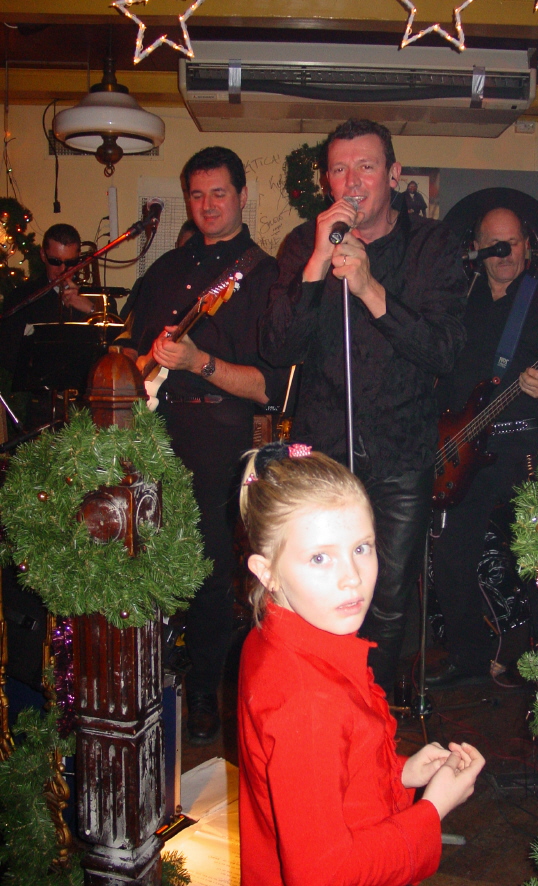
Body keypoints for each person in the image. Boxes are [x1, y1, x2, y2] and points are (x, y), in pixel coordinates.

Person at [260, 118, 467, 693]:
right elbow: (276, 347)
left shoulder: (433, 245)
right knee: (315, 589)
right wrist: (316, 264)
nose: (352, 182)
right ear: (326, 181)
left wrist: (371, 289)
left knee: (387, 597)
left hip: (401, 450)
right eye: (339, 169)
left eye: (366, 167)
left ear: (393, 175)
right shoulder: (302, 243)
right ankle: (318, 707)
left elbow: (445, 351)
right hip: (322, 448)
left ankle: (371, 711)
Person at [237, 442, 485, 886]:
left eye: (362, 548)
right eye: (319, 557)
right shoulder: (309, 700)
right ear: (266, 571)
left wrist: (400, 772)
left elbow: (324, 783)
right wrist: (433, 809)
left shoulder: (278, 638)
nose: (351, 578)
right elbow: (323, 875)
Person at [120, 146, 280, 745]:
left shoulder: (265, 278)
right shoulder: (164, 270)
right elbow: (131, 351)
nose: (208, 205)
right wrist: (139, 363)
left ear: (241, 196)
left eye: (219, 193)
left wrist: (197, 362)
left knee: (211, 572)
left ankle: (207, 687)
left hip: (222, 436)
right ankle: (147, 677)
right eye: (197, 195)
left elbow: (268, 387)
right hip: (155, 433)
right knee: (144, 560)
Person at [429, 207, 538, 687]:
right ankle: (470, 659)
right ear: (477, 249)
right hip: (465, 450)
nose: (505, 254)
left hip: (528, 444)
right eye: (495, 245)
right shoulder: (461, 301)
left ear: (526, 247)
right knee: (451, 556)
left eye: (512, 243)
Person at [0, 224, 113, 429]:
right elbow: (8, 354)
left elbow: (117, 343)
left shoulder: (99, 299)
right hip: (41, 406)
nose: (63, 270)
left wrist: (90, 308)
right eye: (55, 261)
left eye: (70, 263)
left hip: (88, 406)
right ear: (43, 255)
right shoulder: (22, 298)